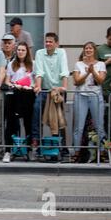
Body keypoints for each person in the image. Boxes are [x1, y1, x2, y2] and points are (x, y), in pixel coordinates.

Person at [31, 33, 70, 161]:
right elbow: (39, 72)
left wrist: (63, 88)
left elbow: (64, 71)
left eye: (50, 42)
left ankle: (62, 148)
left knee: (59, 119)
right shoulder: (40, 53)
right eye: (46, 41)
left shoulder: (61, 53)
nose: (47, 44)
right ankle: (37, 143)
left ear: (56, 43)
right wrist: (38, 87)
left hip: (58, 90)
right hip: (45, 90)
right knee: (37, 111)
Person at [72, 42, 106, 163]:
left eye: (90, 48)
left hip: (96, 96)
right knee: (78, 126)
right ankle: (76, 152)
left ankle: (101, 152)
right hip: (81, 95)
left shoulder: (101, 64)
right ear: (84, 50)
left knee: (99, 126)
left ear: (94, 50)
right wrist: (87, 72)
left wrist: (93, 71)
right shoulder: (78, 64)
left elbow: (101, 80)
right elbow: (76, 81)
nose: (88, 50)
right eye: (86, 48)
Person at [4, 42, 35, 163]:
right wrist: (14, 85)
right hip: (14, 95)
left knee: (28, 124)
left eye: (23, 50)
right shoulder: (12, 64)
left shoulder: (32, 64)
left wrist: (31, 87)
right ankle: (8, 151)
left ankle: (29, 150)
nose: (20, 52)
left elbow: (36, 81)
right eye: (19, 50)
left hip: (28, 95)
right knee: (11, 124)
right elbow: (7, 81)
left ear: (27, 51)